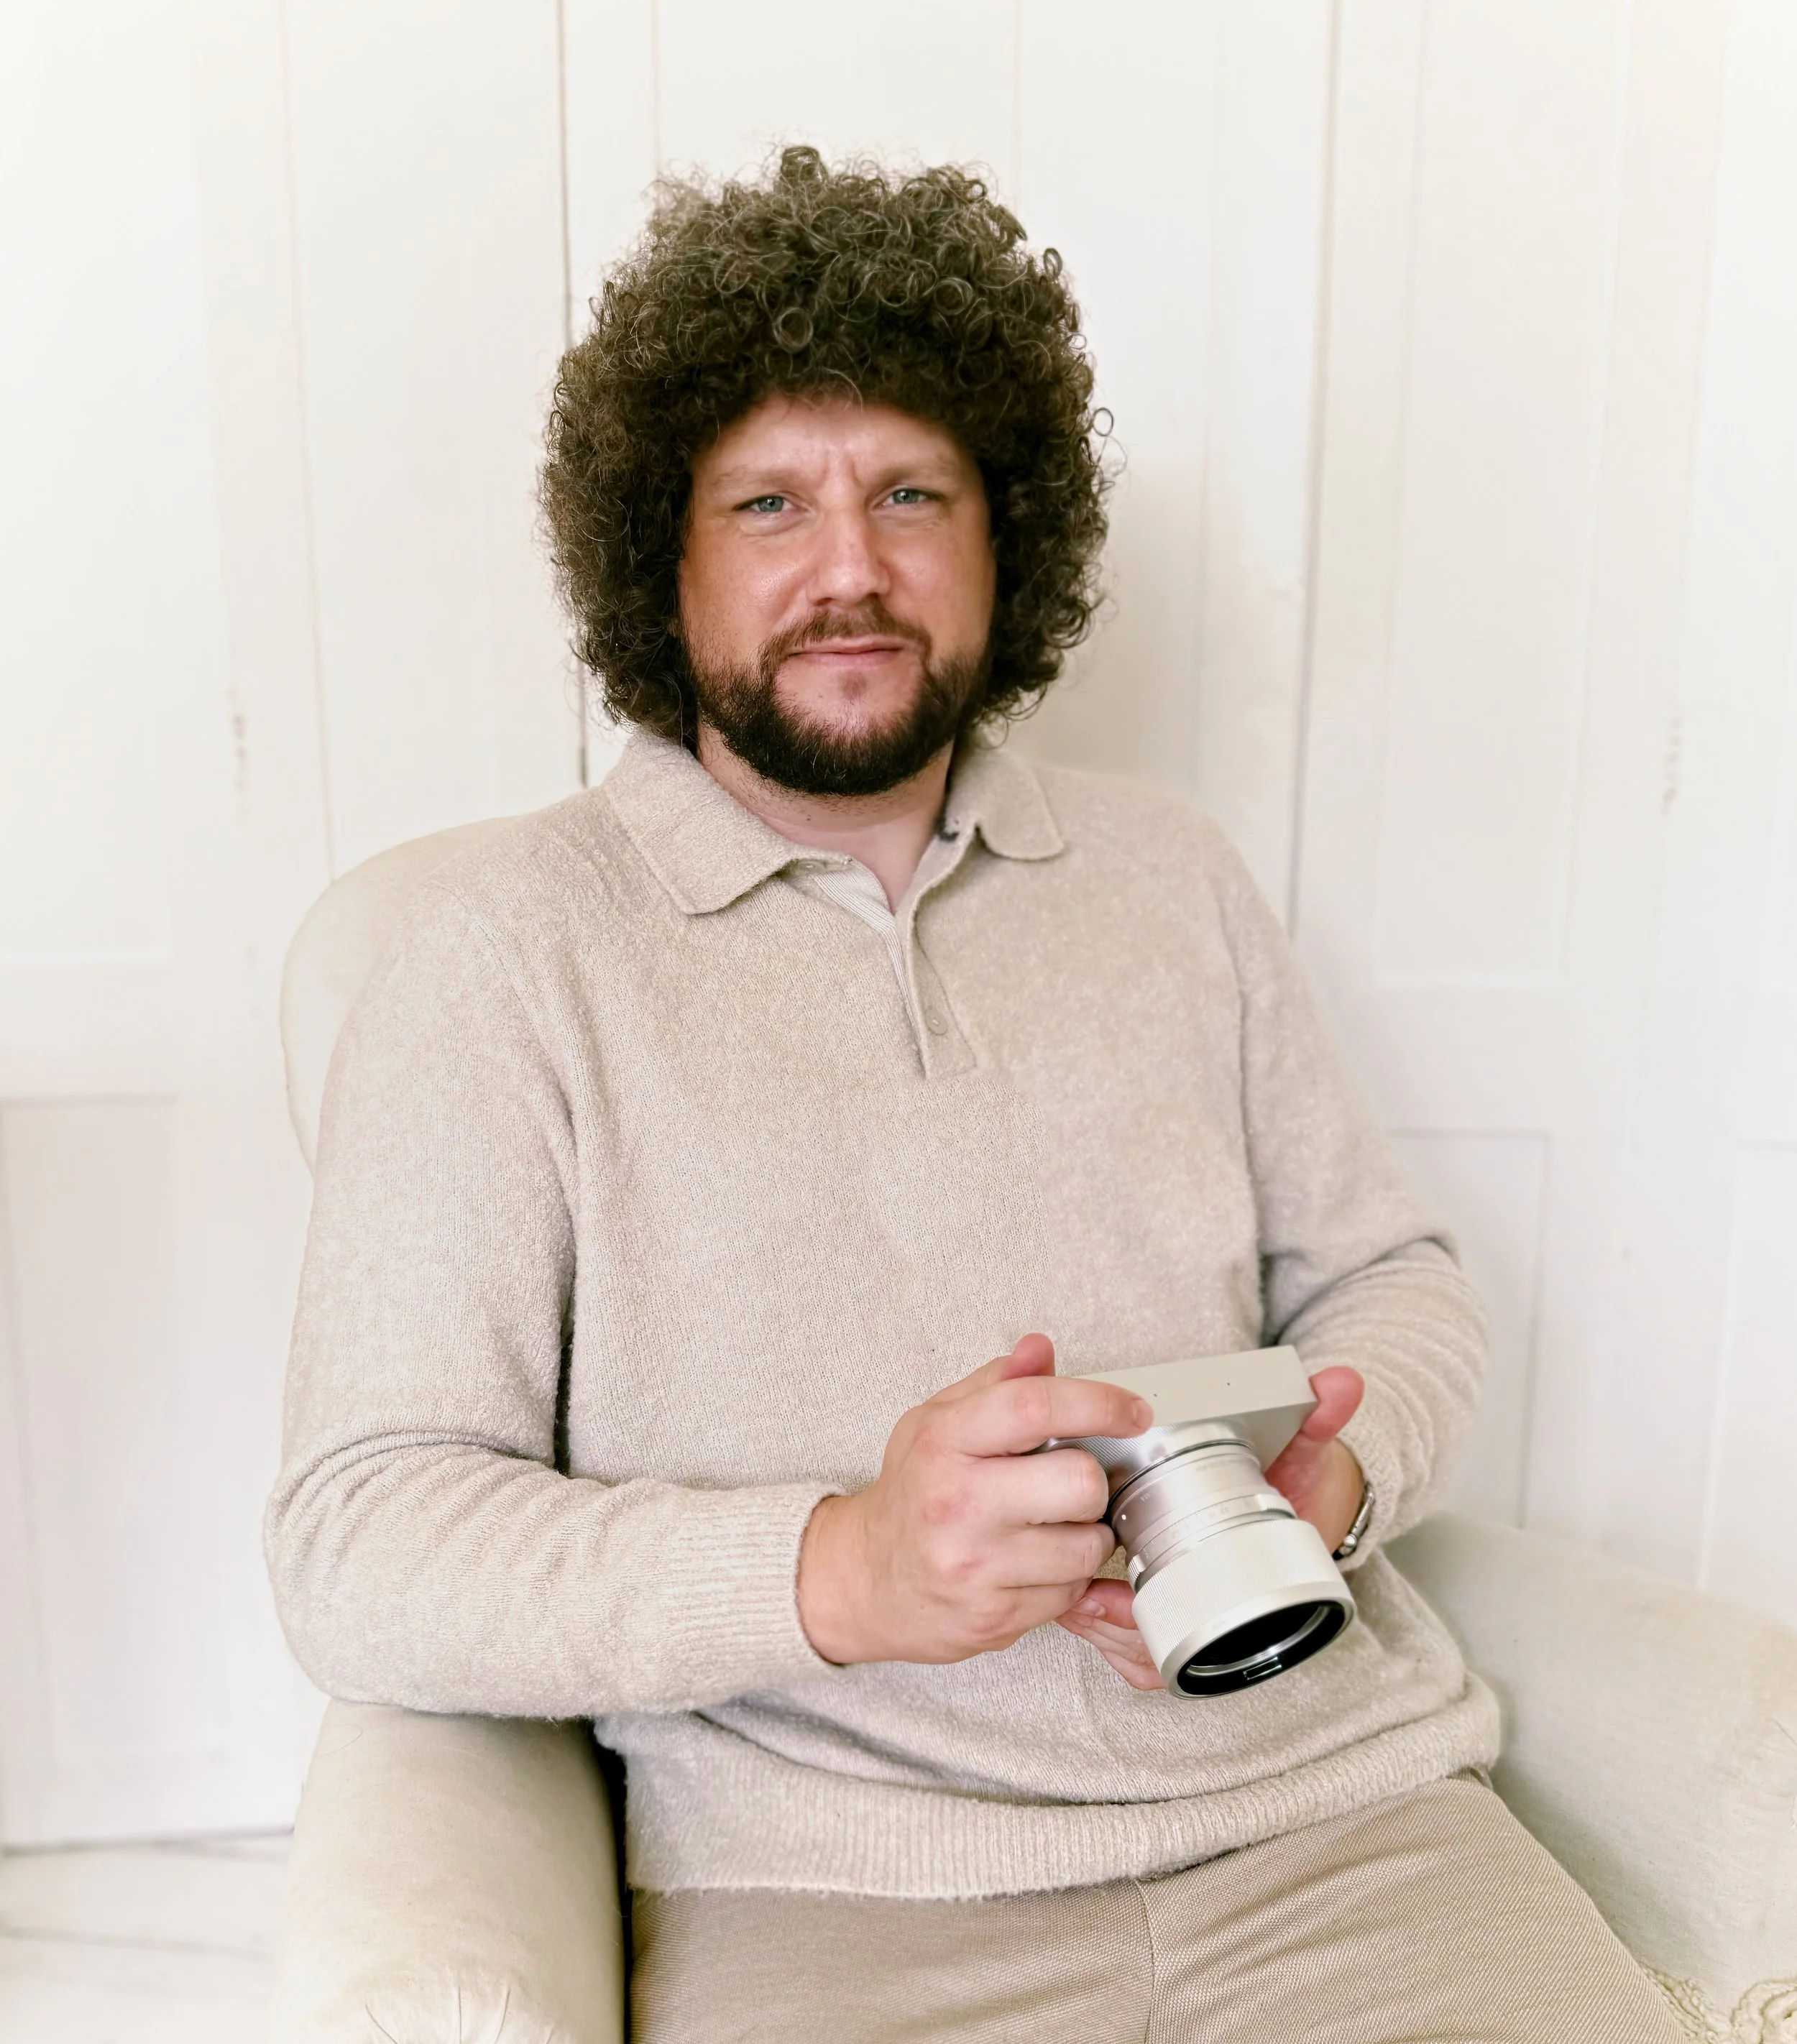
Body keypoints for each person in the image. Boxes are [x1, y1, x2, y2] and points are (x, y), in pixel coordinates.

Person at [267, 146, 1683, 2041]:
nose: (849, 566)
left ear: (1006, 537)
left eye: (910, 494)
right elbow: (358, 1539)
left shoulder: (1170, 881)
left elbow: (1391, 1278)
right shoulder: (500, 951)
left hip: (1347, 1830)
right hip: (832, 1900)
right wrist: (836, 1568)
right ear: (660, 562)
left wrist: (1334, 1482)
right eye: (769, 501)